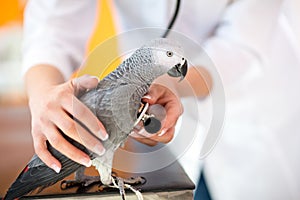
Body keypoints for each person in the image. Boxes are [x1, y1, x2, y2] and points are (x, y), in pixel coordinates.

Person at [23, 1, 300, 200]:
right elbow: (52, 23)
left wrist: (170, 85)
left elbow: (242, 42)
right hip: (160, 133)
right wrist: (42, 93)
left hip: (252, 115)